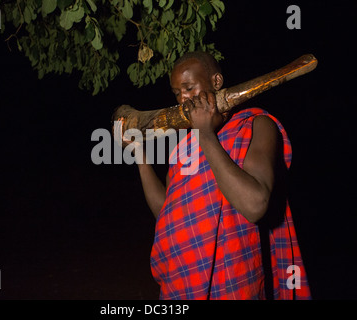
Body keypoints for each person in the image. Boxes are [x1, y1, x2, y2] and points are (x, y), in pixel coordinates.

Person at [118, 51, 311, 300]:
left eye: (189, 87)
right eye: (177, 93)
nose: (183, 99)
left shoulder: (256, 125)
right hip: (181, 283)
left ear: (216, 82)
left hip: (233, 284)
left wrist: (206, 135)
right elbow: (164, 213)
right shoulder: (183, 149)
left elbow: (255, 204)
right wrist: (139, 154)